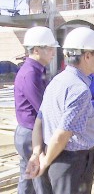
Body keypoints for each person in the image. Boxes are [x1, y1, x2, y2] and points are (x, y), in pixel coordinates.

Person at [25, 27, 94, 194]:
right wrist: (44, 162)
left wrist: (37, 153)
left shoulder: (57, 80)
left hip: (53, 155)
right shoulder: (80, 89)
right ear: (87, 56)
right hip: (72, 162)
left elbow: (40, 120)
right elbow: (62, 135)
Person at [14, 26, 59, 194]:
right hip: (30, 134)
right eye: (50, 48)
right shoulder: (30, 73)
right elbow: (42, 108)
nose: (53, 52)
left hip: (29, 131)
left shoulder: (37, 70)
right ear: (36, 49)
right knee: (39, 177)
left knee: (27, 177)